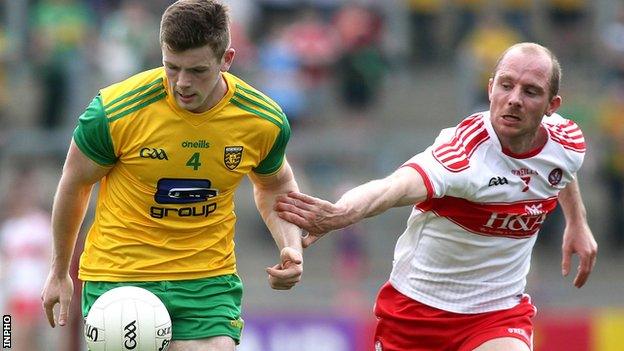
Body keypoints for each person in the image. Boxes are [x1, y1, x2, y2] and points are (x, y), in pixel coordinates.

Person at [275, 42, 597, 351]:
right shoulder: (464, 153)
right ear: (490, 89)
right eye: (506, 85)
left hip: (497, 312)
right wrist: (341, 214)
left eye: (530, 92)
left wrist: (577, 222)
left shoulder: (566, 141)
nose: (514, 99)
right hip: (417, 312)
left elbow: (561, 171)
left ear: (552, 106)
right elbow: (396, 186)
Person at [41, 1, 304, 350]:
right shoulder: (115, 110)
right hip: (122, 274)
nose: (182, 83)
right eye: (171, 67)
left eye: (197, 70)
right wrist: (59, 271)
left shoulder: (262, 120)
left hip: (206, 278)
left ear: (226, 60)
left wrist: (290, 245)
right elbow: (75, 184)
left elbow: (275, 184)